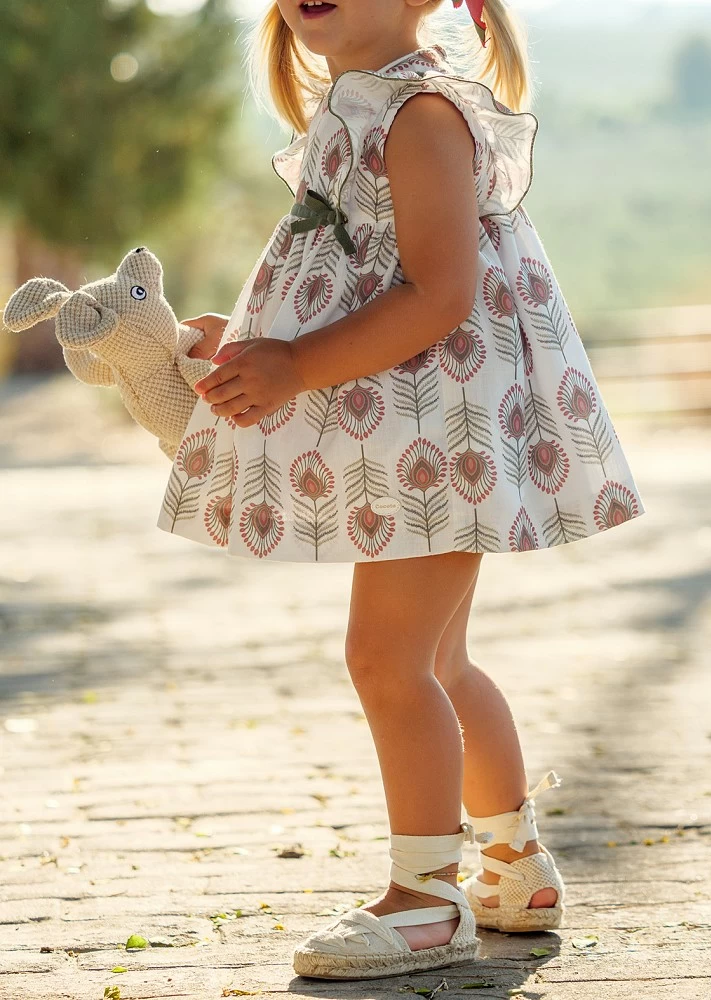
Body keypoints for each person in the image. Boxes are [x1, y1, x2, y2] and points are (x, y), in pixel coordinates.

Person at [158, 0, 647, 981]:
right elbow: (349, 276)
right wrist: (255, 338)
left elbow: (439, 292)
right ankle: (512, 863)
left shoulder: (419, 114)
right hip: (411, 428)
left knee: (384, 660)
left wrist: (295, 365)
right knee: (439, 661)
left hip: (437, 434)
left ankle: (426, 902)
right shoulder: (356, 110)